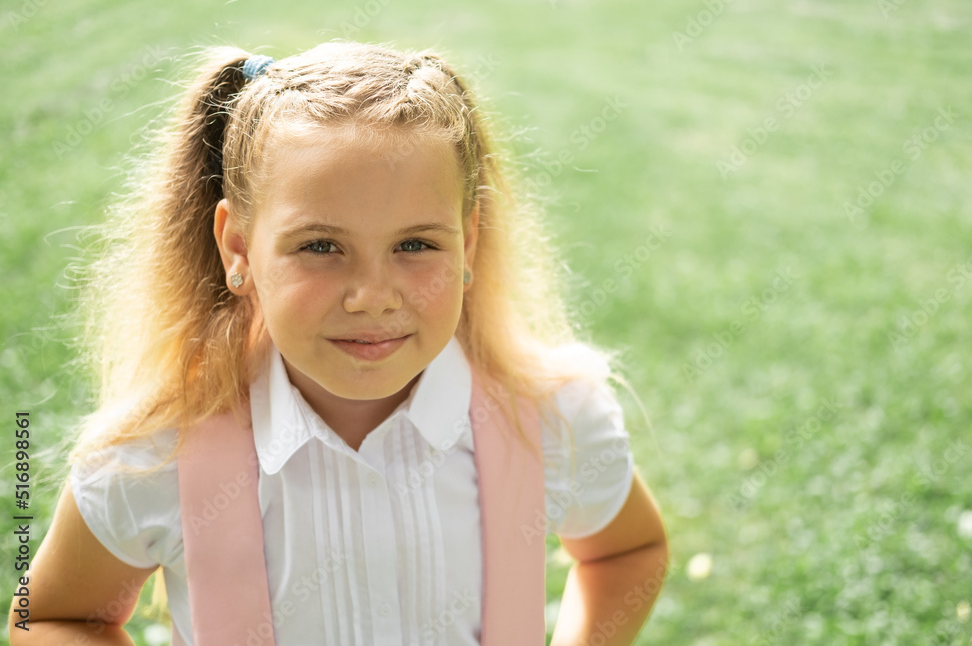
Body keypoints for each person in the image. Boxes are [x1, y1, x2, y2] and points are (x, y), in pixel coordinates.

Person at [9, 41, 668, 645]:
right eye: (321, 246)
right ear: (237, 247)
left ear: (468, 239)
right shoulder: (157, 454)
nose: (372, 294)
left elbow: (625, 550)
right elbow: (54, 611)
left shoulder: (551, 420)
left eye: (415, 244)